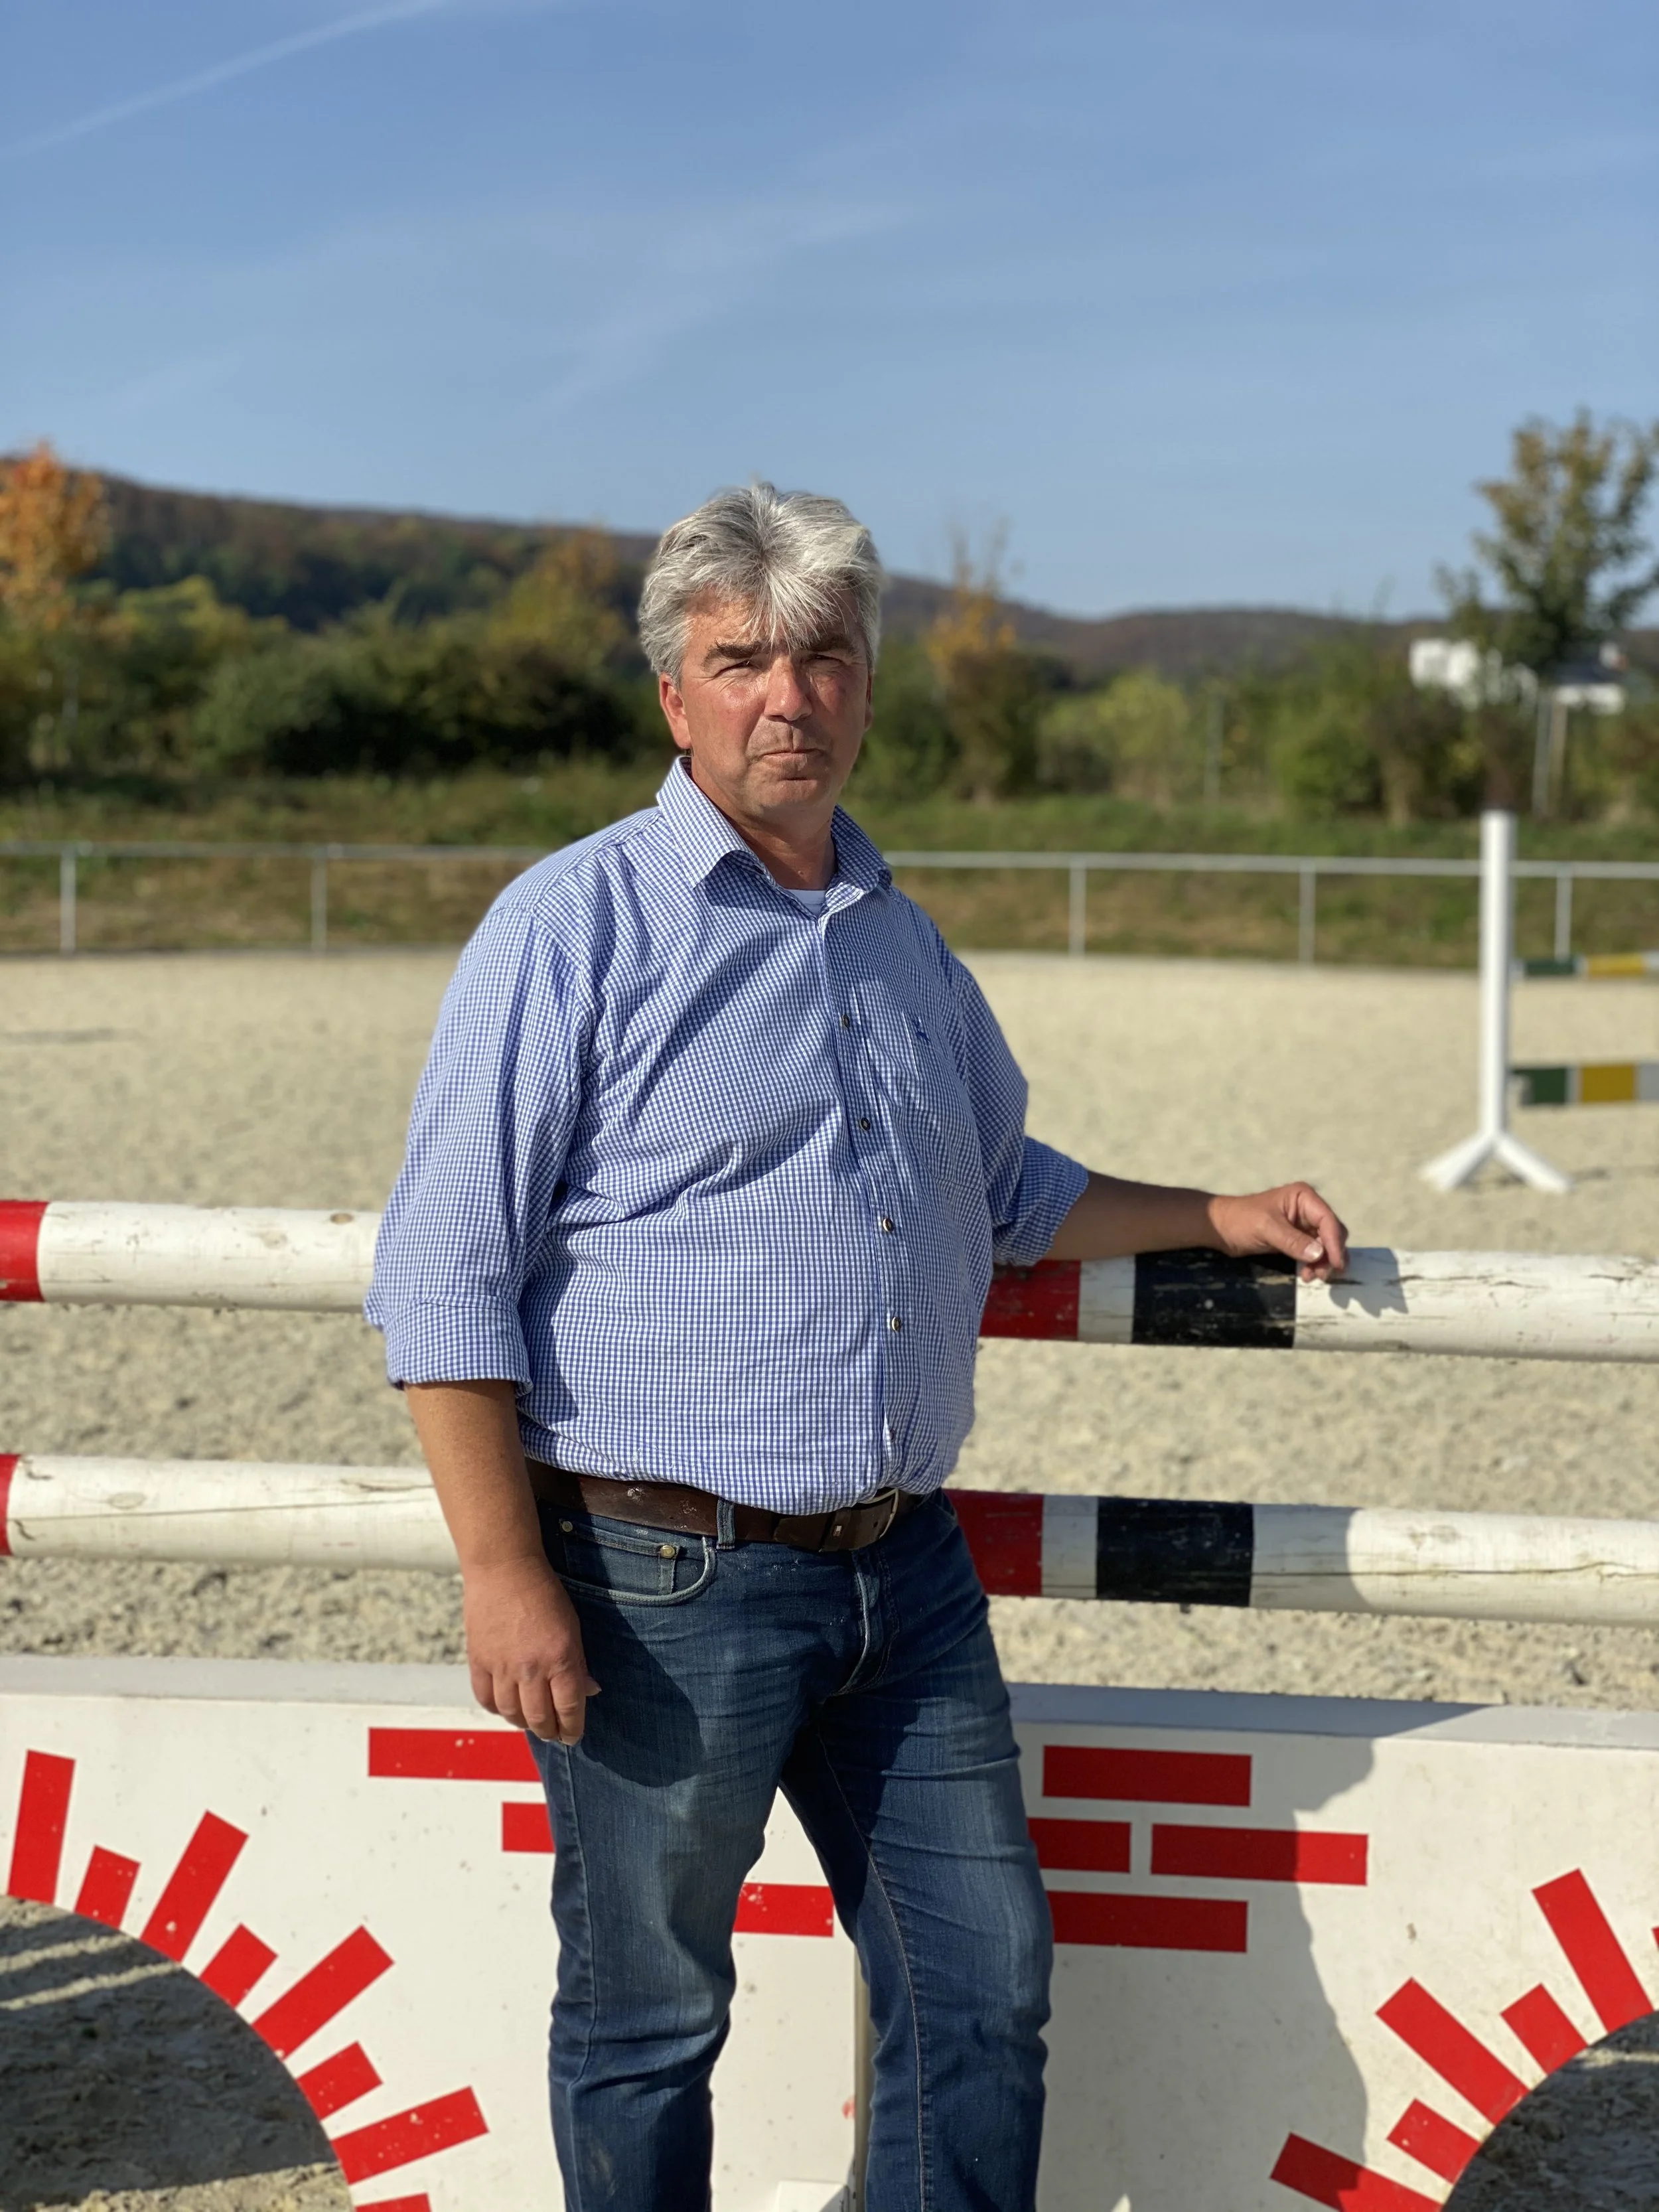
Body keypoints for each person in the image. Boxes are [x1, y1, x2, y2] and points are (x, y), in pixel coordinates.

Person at [367, 482, 1347, 2212]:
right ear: (674, 691)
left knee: (983, 1993)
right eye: (741, 656)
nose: (786, 694)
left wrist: (1215, 1210)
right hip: (655, 1574)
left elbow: (1003, 1186)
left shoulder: (898, 940)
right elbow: (445, 1268)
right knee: (648, 2017)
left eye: (821, 655)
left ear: (865, 682)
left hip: (904, 1569)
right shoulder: (571, 926)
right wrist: (499, 1565)